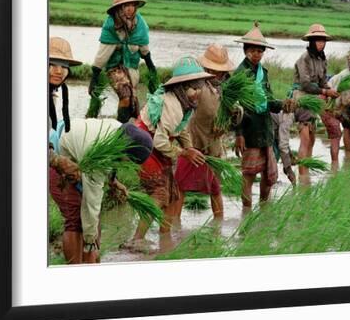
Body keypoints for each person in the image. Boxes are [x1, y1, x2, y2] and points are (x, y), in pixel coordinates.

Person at [127, 56, 214, 249]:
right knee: (159, 193)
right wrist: (184, 154)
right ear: (181, 87)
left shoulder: (186, 104)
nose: (197, 92)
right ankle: (137, 239)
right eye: (193, 88)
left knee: (173, 196)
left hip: (158, 146)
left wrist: (189, 147)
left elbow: (181, 129)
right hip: (145, 145)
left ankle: (165, 238)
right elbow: (159, 140)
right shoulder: (172, 104)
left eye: (199, 87)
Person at [50, 118, 153, 264]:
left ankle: (88, 263)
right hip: (57, 158)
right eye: (127, 160)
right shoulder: (96, 157)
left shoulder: (120, 131)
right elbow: (91, 204)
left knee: (89, 223)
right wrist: (90, 240)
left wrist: (113, 181)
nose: (126, 163)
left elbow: (112, 159)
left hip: (77, 158)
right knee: (75, 219)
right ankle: (74, 273)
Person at [173, 44, 242, 220]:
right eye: (213, 69)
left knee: (215, 188)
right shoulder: (198, 85)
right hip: (193, 142)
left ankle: (218, 226)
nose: (217, 74)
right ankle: (174, 226)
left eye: (220, 71)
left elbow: (234, 111)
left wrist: (229, 119)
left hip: (213, 146)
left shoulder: (226, 88)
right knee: (179, 186)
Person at [87, 0, 157, 123]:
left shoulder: (140, 25)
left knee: (133, 103)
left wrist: (152, 70)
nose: (130, 9)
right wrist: (94, 78)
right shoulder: (111, 26)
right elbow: (103, 54)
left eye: (132, 5)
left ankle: (128, 131)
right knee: (125, 96)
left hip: (132, 67)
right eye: (126, 6)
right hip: (114, 68)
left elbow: (144, 50)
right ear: (119, 8)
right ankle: (119, 130)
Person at [233, 22, 282, 208]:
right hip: (249, 130)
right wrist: (238, 134)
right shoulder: (239, 74)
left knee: (267, 174)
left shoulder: (263, 73)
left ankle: (263, 208)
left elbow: (269, 100)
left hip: (265, 128)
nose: (256, 54)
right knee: (248, 174)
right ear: (245, 50)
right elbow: (234, 109)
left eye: (260, 51)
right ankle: (246, 211)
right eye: (253, 50)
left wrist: (282, 105)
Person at [290, 24, 340, 178]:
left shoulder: (322, 59)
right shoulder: (303, 59)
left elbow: (323, 81)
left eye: (323, 40)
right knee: (305, 139)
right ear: (311, 41)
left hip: (314, 101)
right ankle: (302, 174)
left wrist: (330, 90)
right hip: (303, 99)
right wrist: (325, 91)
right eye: (318, 40)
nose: (321, 43)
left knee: (311, 139)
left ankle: (306, 172)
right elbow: (305, 84)